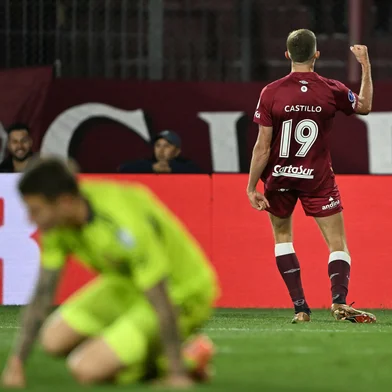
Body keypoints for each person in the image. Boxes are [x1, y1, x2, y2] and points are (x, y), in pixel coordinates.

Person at [2, 158, 218, 388]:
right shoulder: (58, 224)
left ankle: (186, 357)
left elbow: (160, 295)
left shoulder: (122, 223)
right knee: (52, 341)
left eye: (35, 211)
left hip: (180, 291)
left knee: (85, 370)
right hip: (127, 285)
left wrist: (176, 373)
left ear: (64, 202)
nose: (31, 220)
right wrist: (17, 361)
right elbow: (43, 294)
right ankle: (133, 351)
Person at [247, 29, 375, 324]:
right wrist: (366, 66)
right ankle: (339, 301)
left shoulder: (271, 91)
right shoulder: (331, 89)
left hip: (279, 176)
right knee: (337, 243)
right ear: (317, 54)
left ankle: (300, 308)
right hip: (316, 177)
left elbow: (262, 146)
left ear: (288, 54)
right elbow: (365, 106)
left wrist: (251, 185)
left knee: (282, 238)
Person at [118, 130, 202, 174]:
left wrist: (171, 168)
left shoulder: (186, 165)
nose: (161, 150)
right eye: (158, 145)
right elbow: (123, 169)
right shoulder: (147, 163)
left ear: (177, 151)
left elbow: (199, 173)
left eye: (167, 146)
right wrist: (152, 168)